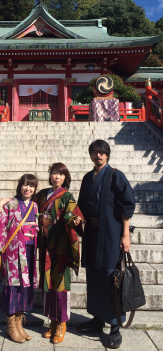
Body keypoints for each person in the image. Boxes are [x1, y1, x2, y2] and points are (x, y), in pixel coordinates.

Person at [77, 139, 135, 349]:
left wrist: (125, 235)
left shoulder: (115, 175)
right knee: (94, 276)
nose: (98, 156)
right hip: (92, 233)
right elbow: (81, 206)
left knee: (112, 277)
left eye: (102, 152)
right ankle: (97, 319)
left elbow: (127, 204)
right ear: (91, 155)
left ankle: (115, 327)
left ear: (107, 155)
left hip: (110, 232)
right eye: (94, 152)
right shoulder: (86, 178)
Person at [37, 163, 84, 344]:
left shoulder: (67, 196)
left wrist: (74, 220)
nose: (57, 177)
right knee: (48, 283)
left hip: (61, 246)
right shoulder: (41, 195)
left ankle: (62, 323)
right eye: (54, 173)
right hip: (45, 245)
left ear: (65, 177)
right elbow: (31, 209)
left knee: (61, 285)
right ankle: (52, 321)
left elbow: (71, 215)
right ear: (50, 176)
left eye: (61, 174)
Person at [0, 174, 39, 343]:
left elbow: (38, 227)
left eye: (31, 186)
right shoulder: (10, 204)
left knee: (25, 286)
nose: (28, 189)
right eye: (25, 185)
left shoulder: (35, 205)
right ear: (20, 186)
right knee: (12, 287)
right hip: (13, 252)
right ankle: (11, 325)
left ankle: (19, 324)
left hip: (29, 251)